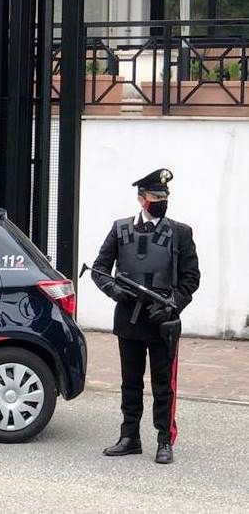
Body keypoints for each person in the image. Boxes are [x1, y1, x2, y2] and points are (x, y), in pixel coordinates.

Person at [91, 168, 200, 464]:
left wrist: (172, 303)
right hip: (129, 319)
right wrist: (115, 291)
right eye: (155, 196)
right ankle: (130, 437)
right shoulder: (120, 229)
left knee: (164, 385)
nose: (161, 201)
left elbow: (191, 278)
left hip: (163, 321)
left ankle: (164, 440)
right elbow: (100, 270)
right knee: (130, 382)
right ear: (141, 199)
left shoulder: (180, 232)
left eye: (164, 197)